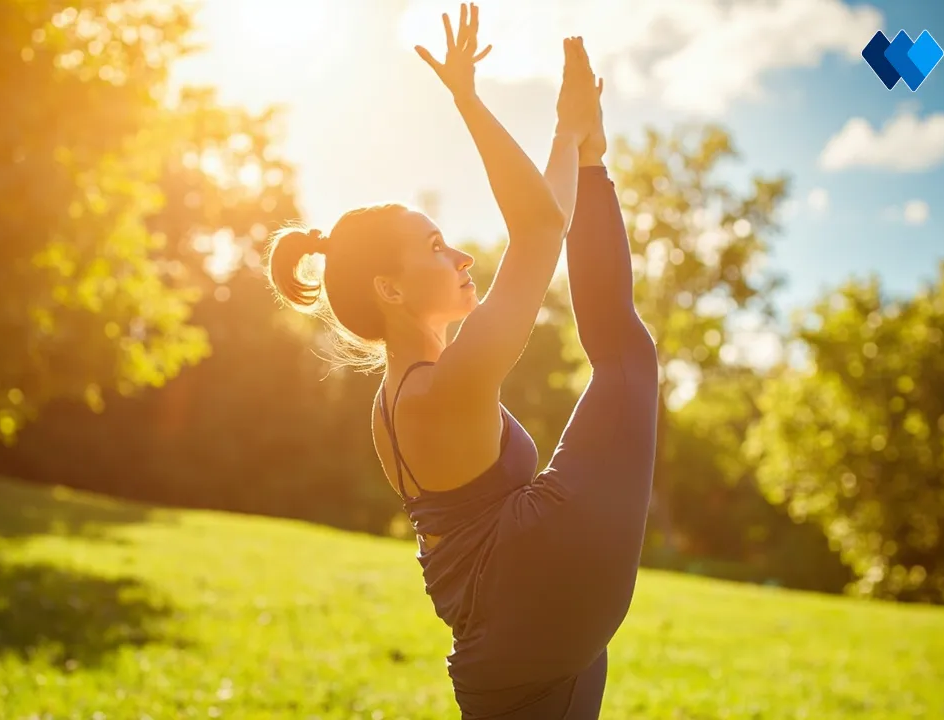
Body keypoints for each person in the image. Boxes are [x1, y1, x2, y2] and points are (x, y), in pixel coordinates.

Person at [265, 4, 658, 717]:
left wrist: (574, 136)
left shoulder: (402, 398)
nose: (462, 256)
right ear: (389, 288)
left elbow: (545, 221)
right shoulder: (442, 390)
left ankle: (591, 148)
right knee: (624, 358)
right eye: (436, 247)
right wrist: (470, 100)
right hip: (529, 593)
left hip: (502, 652)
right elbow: (538, 227)